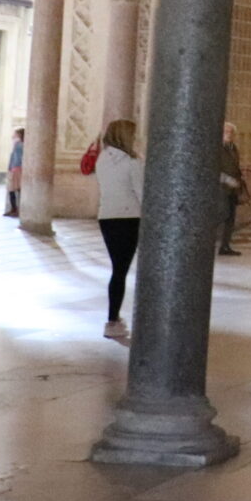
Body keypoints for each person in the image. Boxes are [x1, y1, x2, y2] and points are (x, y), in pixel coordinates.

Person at [92, 119, 144, 340]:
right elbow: (142, 193)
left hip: (107, 216)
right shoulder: (132, 162)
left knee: (117, 269)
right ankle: (112, 321)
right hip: (129, 217)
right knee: (121, 271)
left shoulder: (103, 159)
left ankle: (113, 318)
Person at [217, 121, 247, 256]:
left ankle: (225, 245)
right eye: (226, 132)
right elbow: (213, 169)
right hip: (221, 188)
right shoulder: (217, 149)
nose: (228, 135)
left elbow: (234, 166)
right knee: (223, 214)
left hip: (232, 189)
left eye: (231, 132)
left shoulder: (233, 148)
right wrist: (227, 180)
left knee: (231, 218)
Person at [4, 129, 24, 219]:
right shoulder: (19, 144)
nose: (13, 135)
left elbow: (16, 157)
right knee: (17, 189)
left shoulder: (19, 144)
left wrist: (11, 168)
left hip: (16, 168)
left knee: (13, 189)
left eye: (15, 134)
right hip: (16, 168)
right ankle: (16, 209)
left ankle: (14, 209)